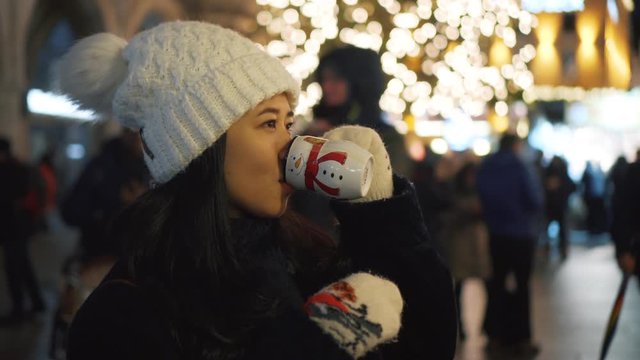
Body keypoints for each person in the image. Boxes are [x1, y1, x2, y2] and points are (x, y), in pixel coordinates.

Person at [56, 21, 456, 359]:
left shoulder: (300, 254)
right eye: (269, 124)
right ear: (201, 147)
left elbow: (430, 345)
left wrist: (381, 211)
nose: (291, 146)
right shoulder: (125, 313)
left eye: (289, 123)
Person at [291, 45, 414, 238]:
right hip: (307, 240)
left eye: (336, 79)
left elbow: (385, 195)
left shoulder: (387, 137)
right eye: (325, 79)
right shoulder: (315, 128)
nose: (327, 87)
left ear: (358, 82)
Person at [476, 133, 543, 357]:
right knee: (522, 286)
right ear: (515, 145)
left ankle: (496, 336)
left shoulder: (486, 166)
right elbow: (534, 200)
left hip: (496, 234)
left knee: (497, 284)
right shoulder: (520, 166)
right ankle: (523, 338)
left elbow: (481, 196)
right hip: (521, 234)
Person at [440, 162, 490, 341]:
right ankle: (459, 327)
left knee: (487, 286)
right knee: (458, 288)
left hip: (478, 246)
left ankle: (487, 326)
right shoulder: (453, 195)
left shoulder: (481, 193)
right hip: (461, 247)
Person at [0, 137, 46, 325]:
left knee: (14, 269)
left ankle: (18, 311)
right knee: (23, 266)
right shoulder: (19, 167)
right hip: (20, 226)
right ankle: (37, 303)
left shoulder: (8, 171)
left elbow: (7, 200)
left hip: (13, 227)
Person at [542, 156, 576, 259]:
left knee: (555, 228)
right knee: (559, 228)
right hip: (557, 206)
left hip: (555, 205)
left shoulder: (550, 172)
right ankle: (559, 248)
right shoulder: (560, 172)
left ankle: (556, 248)